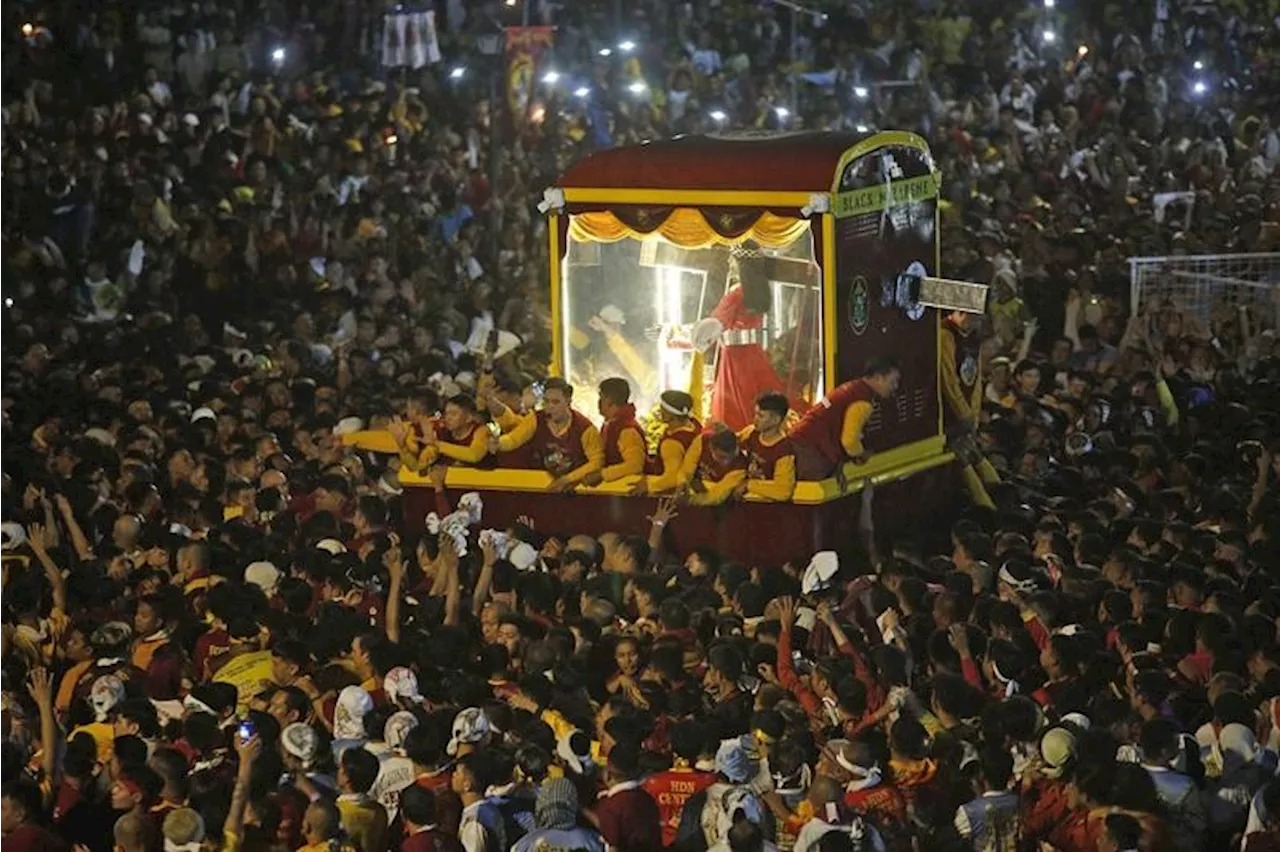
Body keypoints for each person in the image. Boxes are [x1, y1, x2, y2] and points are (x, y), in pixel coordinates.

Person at [790, 357, 902, 482]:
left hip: (797, 442)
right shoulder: (863, 401)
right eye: (893, 382)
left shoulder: (851, 388)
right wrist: (861, 454)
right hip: (809, 451)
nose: (895, 387)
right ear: (878, 378)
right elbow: (849, 441)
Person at [488, 378, 605, 492]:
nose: (550, 407)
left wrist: (568, 479)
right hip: (545, 486)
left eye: (555, 402)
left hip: (577, 489)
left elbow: (597, 462)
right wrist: (499, 443)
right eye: (546, 401)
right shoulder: (536, 419)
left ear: (568, 401)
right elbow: (514, 439)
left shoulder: (585, 428)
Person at [939, 310, 1000, 509]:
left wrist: (973, 415)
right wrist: (963, 413)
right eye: (974, 317)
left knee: (972, 453)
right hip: (948, 416)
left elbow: (976, 378)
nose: (976, 322)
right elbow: (948, 378)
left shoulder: (973, 336)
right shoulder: (944, 334)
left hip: (966, 417)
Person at [392, 394, 491, 472]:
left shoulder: (481, 431)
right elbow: (417, 467)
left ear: (469, 418)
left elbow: (474, 455)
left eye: (453, 414)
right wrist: (403, 447)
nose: (447, 418)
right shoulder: (441, 433)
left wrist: (438, 445)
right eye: (446, 413)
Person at [631, 391, 702, 496]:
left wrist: (649, 486)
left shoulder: (672, 443)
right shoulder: (694, 424)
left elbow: (673, 477)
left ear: (670, 415)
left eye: (663, 409)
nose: (660, 410)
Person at [733, 393, 796, 502]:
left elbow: (783, 491)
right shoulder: (751, 432)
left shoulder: (784, 451)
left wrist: (748, 485)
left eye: (761, 416)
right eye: (755, 414)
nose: (755, 419)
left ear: (776, 420)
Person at [584, 377, 646, 486]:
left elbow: (635, 465)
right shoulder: (611, 424)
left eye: (601, 398)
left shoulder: (627, 430)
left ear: (609, 401)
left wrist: (602, 474)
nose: (598, 402)